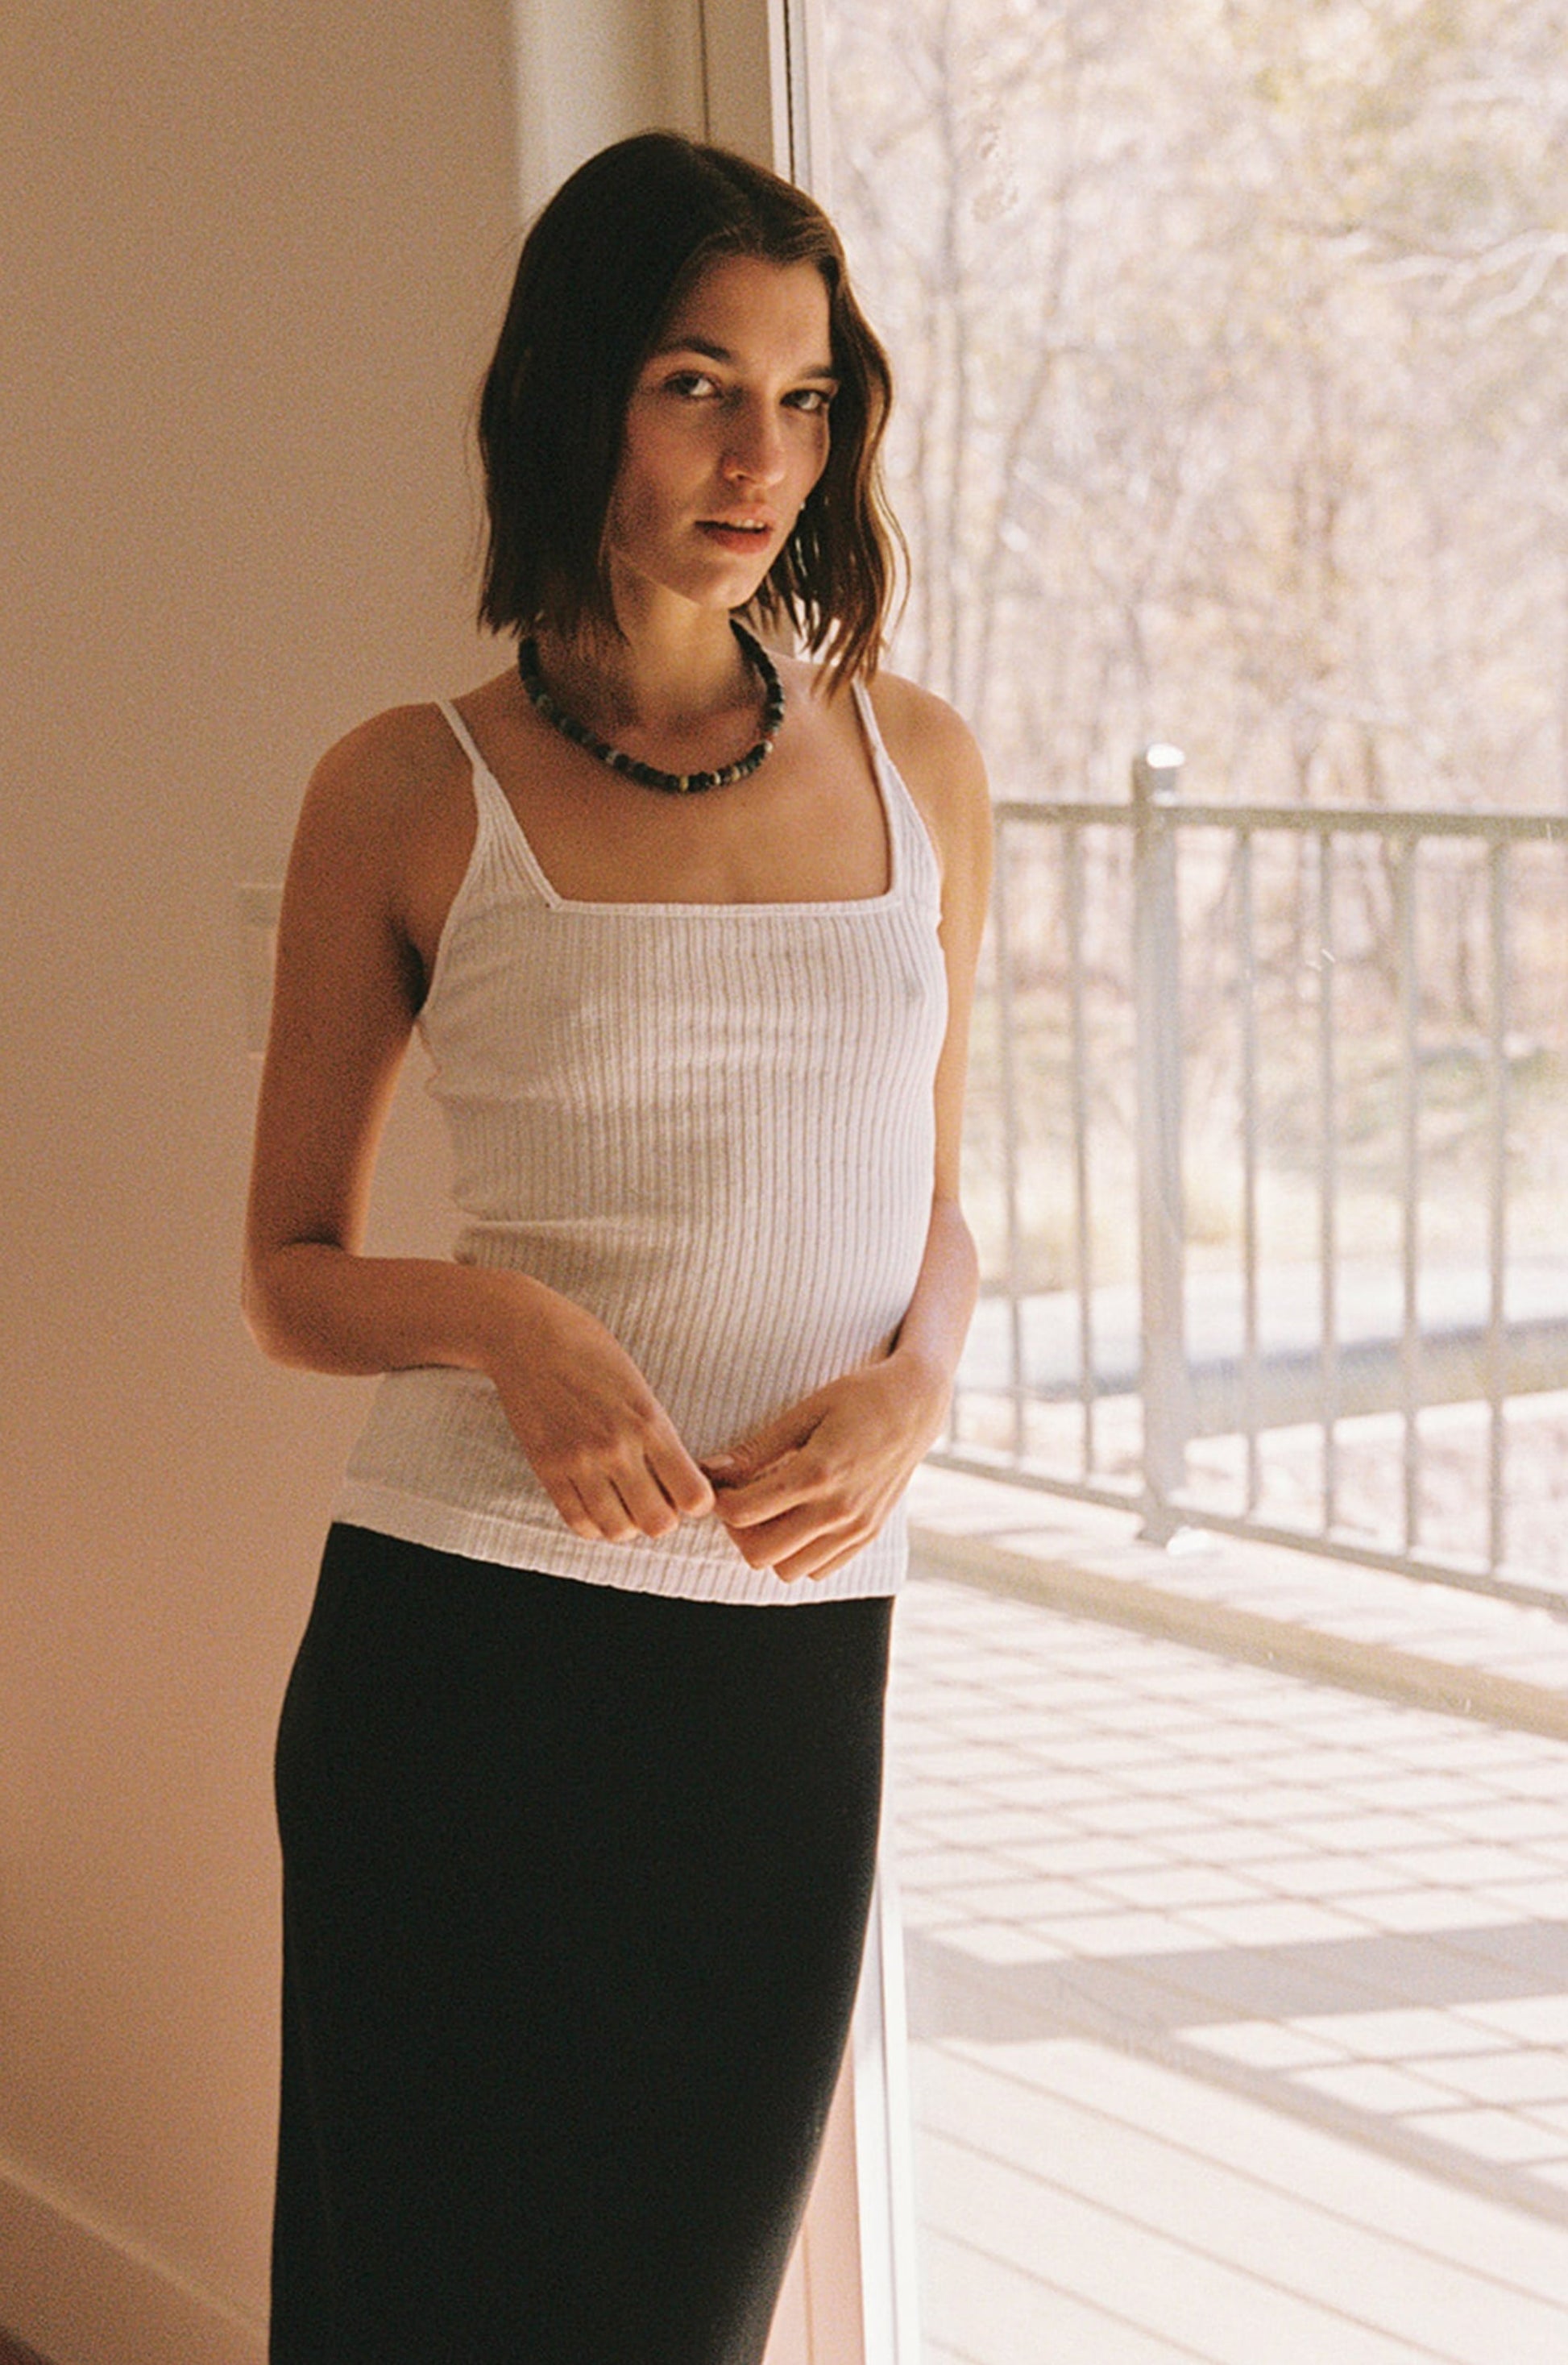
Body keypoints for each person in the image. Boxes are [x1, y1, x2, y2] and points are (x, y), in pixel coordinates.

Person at [243, 129, 992, 2365]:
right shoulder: (406, 788)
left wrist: (916, 1386)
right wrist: (508, 1325)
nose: (760, 458)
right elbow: (290, 1269)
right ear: (580, 392)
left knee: (683, 2319)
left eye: (804, 398)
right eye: (696, 385)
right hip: (466, 1658)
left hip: (783, 1671)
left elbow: (940, 1205)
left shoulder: (921, 766)